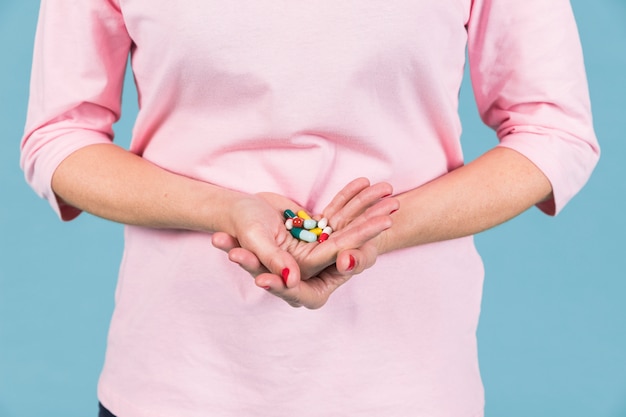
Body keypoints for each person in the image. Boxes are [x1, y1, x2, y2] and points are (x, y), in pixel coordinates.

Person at [21, 0, 600, 416]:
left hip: (407, 385)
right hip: (174, 384)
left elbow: (553, 129)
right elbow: (59, 136)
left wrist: (382, 231)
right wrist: (222, 208)